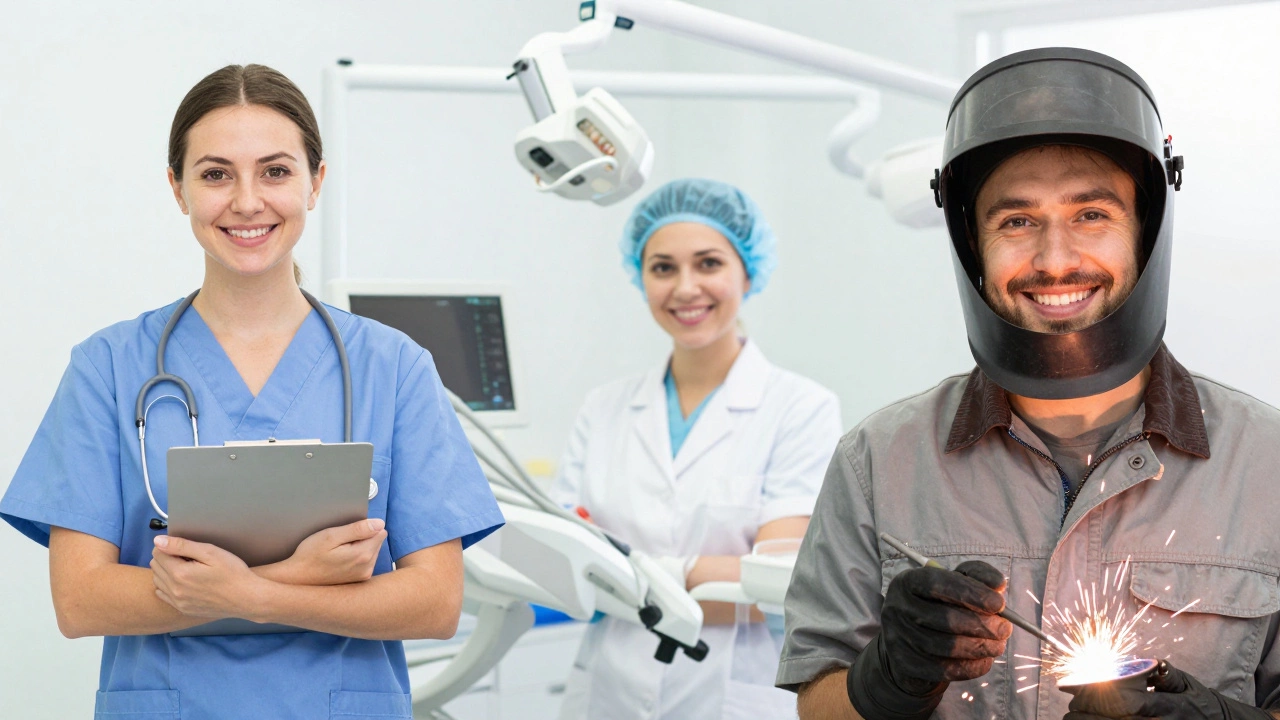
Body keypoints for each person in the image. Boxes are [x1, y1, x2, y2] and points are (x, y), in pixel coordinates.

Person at [776, 48, 1280, 720]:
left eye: (1091, 214)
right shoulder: (879, 462)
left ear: (1146, 232)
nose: (1054, 259)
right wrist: (886, 681)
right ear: (971, 242)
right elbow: (818, 706)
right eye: (1016, 221)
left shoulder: (1267, 465)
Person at [0, 64, 504, 720]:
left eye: (275, 171)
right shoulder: (108, 367)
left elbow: (435, 605)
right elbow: (80, 602)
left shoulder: (394, 367)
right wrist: (299, 577)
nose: (246, 201)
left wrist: (248, 594)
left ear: (315, 182)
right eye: (215, 174)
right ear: (177, 189)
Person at [553, 178, 843, 720]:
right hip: (608, 690)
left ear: (748, 270)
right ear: (641, 279)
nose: (685, 287)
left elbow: (775, 585)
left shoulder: (800, 408)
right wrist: (699, 573)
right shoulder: (604, 407)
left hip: (732, 693)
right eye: (663, 267)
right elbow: (561, 561)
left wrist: (620, 571)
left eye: (708, 263)